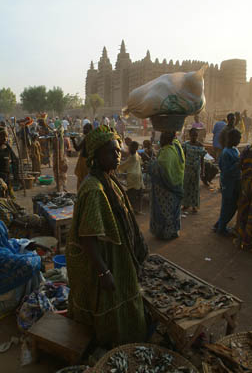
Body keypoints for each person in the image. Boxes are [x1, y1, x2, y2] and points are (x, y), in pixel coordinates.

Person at [66, 125, 147, 347]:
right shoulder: (94, 188)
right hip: (103, 260)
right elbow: (88, 238)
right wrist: (104, 273)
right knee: (107, 303)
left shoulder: (107, 179)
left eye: (118, 150)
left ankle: (120, 339)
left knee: (121, 299)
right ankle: (108, 344)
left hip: (115, 255)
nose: (117, 154)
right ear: (96, 155)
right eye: (111, 151)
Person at [0, 220, 42, 315]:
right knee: (32, 269)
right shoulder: (2, 256)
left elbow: (8, 242)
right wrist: (39, 259)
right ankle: (31, 295)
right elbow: (28, 265)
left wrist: (28, 244)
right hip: (4, 297)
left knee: (26, 249)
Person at [149, 131, 185, 240]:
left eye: (161, 139)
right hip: (176, 182)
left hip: (165, 189)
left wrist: (151, 165)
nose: (160, 141)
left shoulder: (166, 152)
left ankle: (165, 233)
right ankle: (173, 231)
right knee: (173, 209)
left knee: (165, 211)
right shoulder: (176, 146)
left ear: (165, 140)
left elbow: (161, 168)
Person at [213, 129, 241, 236]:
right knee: (228, 206)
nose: (239, 140)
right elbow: (226, 170)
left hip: (234, 182)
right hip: (228, 183)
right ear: (231, 139)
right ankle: (221, 228)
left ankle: (219, 224)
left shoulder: (234, 150)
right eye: (238, 138)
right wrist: (238, 164)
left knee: (232, 205)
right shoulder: (226, 152)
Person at [235, 139, 252, 250]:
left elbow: (239, 165)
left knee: (243, 211)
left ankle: (239, 239)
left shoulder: (247, 149)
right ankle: (247, 242)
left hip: (245, 184)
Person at [182, 128, 206, 213]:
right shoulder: (185, 145)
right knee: (186, 187)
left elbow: (202, 159)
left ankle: (194, 205)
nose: (194, 137)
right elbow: (183, 157)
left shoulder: (200, 145)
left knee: (195, 188)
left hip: (196, 170)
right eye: (193, 135)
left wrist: (203, 171)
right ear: (189, 135)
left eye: (196, 135)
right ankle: (186, 204)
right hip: (187, 169)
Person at [118, 141, 144, 214]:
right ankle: (138, 210)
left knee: (130, 194)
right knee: (138, 193)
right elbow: (141, 162)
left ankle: (130, 210)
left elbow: (124, 165)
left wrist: (117, 166)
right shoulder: (136, 154)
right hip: (138, 176)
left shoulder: (132, 157)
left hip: (132, 177)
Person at [71, 123, 93, 190]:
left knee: (82, 179)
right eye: (84, 128)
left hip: (84, 161)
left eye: (86, 129)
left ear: (90, 130)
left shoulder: (87, 138)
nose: (84, 130)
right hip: (87, 161)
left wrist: (73, 140)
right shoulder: (91, 138)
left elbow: (77, 149)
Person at [0, 127, 19, 198]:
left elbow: (15, 160)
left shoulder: (7, 148)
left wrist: (16, 177)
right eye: (2, 137)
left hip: (7, 177)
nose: (5, 139)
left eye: (6, 137)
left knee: (7, 197)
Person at [52, 126, 68, 192]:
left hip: (58, 157)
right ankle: (63, 185)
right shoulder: (65, 139)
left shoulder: (55, 139)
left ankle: (60, 185)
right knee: (62, 171)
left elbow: (52, 148)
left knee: (58, 170)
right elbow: (68, 147)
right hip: (62, 157)